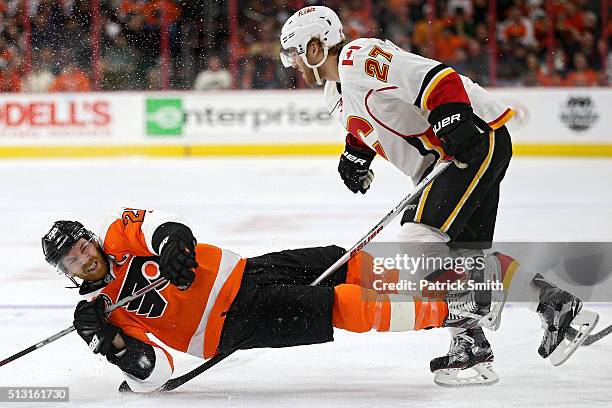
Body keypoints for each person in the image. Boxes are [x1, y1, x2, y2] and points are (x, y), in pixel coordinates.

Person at [278, 5, 598, 386]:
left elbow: (433, 76)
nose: (294, 62)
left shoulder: (358, 57)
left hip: (474, 138)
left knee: (418, 241)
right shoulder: (334, 89)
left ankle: (506, 313)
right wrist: (356, 153)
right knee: (461, 258)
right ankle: (510, 327)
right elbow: (371, 117)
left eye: (297, 52)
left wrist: (451, 115)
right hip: (444, 160)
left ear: (317, 47)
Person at [42, 207, 504, 392]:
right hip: (234, 323)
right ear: (64, 273)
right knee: (343, 305)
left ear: (90, 239)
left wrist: (173, 248)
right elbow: (155, 375)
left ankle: (456, 293)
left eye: (80, 246)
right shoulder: (99, 315)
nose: (82, 258)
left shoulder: (119, 236)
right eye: (70, 260)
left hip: (250, 271)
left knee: (349, 262)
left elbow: (163, 224)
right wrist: (109, 344)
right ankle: (456, 308)